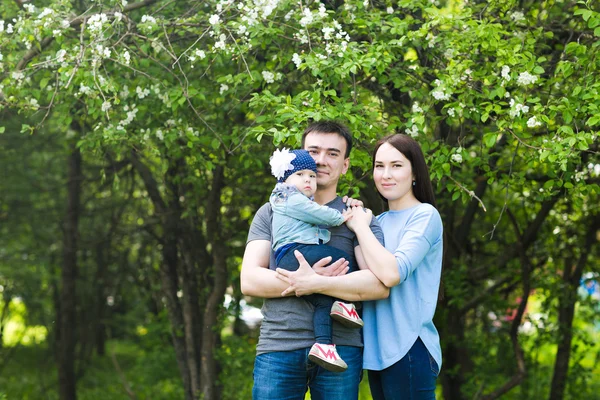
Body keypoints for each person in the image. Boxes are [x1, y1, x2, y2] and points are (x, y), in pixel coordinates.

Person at [277, 133, 443, 400]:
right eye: (379, 166)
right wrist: (363, 222)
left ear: (415, 173)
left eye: (397, 165)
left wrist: (360, 226)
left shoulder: (424, 215)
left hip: (409, 347)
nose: (386, 174)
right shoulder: (380, 220)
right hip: (377, 352)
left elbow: (390, 274)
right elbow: (368, 272)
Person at [241, 121, 389, 400]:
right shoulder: (271, 210)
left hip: (341, 347)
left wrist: (315, 282)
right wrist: (308, 282)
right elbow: (249, 280)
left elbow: (377, 285)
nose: (321, 160)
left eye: (333, 153)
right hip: (279, 346)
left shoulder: (357, 217)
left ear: (345, 165)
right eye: (313, 151)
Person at [268, 147, 365, 372]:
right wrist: (342, 216)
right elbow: (318, 213)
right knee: (340, 259)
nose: (308, 180)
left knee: (323, 301)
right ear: (286, 179)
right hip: (294, 253)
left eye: (312, 176)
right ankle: (345, 303)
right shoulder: (288, 197)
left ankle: (323, 345)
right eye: (300, 175)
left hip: (296, 254)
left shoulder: (293, 198)